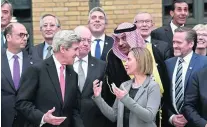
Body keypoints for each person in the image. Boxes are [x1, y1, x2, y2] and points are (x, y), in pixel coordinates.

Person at [15, 30, 84, 127]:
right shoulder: (36, 70)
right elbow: (22, 103)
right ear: (63, 49)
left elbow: (74, 109)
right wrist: (43, 117)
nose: (78, 53)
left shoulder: (73, 74)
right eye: (75, 49)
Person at [93, 47, 161, 127]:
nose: (125, 63)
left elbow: (149, 117)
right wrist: (98, 98)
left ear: (140, 61)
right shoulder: (124, 85)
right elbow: (114, 116)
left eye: (129, 59)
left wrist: (126, 99)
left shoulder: (153, 86)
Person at [134, 12, 173, 127]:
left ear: (153, 25)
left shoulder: (164, 46)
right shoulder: (129, 47)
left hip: (160, 101)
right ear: (134, 25)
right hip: (135, 101)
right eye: (141, 22)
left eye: (148, 21)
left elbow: (168, 75)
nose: (144, 25)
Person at [164, 27, 207, 127]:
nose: (174, 46)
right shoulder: (167, 64)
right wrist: (171, 117)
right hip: (174, 123)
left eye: (179, 42)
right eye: (173, 42)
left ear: (191, 44)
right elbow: (164, 96)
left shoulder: (204, 62)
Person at [1, 22, 39, 127]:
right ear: (8, 37)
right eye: (21, 35)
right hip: (4, 117)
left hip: (28, 119)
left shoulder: (35, 61)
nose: (25, 38)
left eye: (26, 35)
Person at [73, 26, 108, 127]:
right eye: (82, 40)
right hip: (69, 119)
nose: (86, 44)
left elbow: (105, 96)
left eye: (89, 40)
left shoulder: (101, 65)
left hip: (94, 120)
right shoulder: (65, 64)